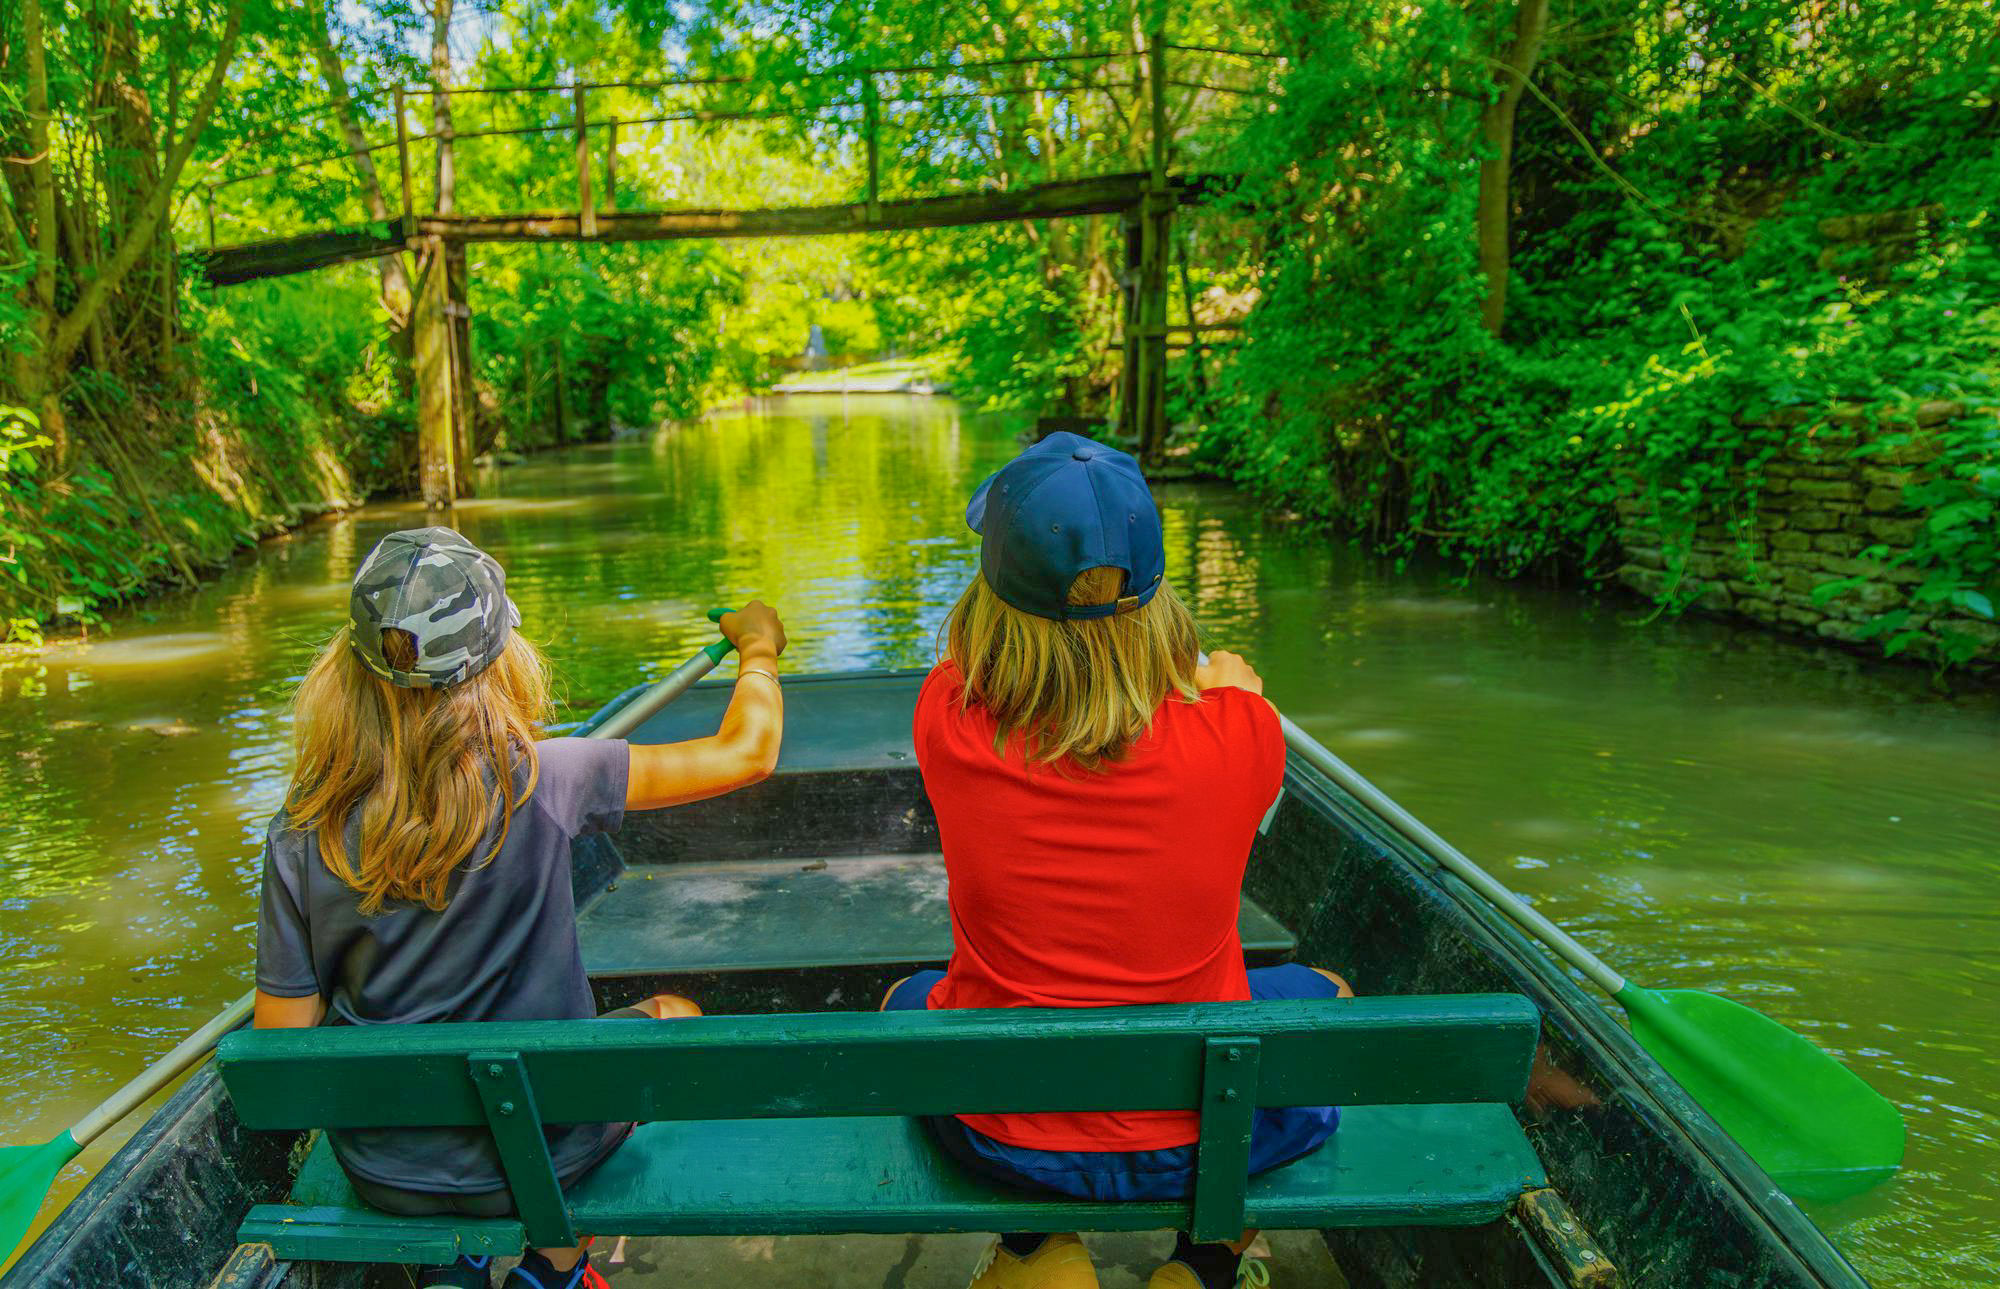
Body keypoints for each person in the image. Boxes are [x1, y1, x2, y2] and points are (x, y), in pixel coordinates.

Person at [251, 527, 787, 1289]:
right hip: (551, 1153)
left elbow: (281, 1052)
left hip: (390, 1172)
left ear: (350, 670)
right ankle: (554, 1266)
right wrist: (758, 649)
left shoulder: (302, 830)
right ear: (501, 658)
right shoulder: (550, 776)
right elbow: (747, 753)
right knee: (678, 1014)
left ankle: (458, 1264)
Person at [885, 435, 1352, 1289]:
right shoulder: (1242, 735)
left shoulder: (945, 717)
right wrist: (1232, 688)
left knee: (907, 1000)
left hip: (1005, 1136)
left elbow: (977, 671)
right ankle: (1205, 1262)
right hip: (1209, 1126)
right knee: (1329, 996)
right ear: (1160, 602)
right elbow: (1214, 703)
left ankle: (1040, 1247)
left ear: (989, 601)